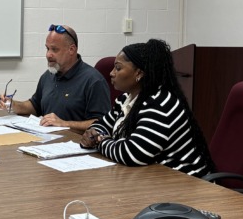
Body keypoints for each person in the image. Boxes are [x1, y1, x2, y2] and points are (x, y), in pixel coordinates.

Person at [79, 39, 214, 177]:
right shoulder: (126, 99)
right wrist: (93, 134)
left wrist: (100, 142)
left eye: (118, 68)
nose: (112, 73)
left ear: (139, 73)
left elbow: (133, 153)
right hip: (152, 177)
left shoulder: (160, 105)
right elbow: (102, 125)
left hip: (187, 183)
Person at [0, 24, 110, 132]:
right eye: (47, 49)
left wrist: (64, 124)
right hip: (47, 142)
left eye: (54, 50)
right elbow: (35, 106)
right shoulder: (48, 75)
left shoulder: (93, 81)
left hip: (76, 145)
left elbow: (102, 124)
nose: (48, 54)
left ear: (71, 50)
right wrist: (13, 104)